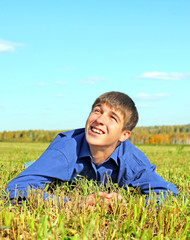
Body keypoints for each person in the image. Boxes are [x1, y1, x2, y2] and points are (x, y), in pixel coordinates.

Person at [5, 91, 178, 207]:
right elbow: (16, 188)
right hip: (53, 166)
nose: (100, 120)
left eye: (112, 117)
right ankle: (35, 165)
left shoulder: (132, 160)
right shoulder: (66, 148)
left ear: (124, 135)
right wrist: (72, 203)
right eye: (97, 111)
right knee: (35, 168)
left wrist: (126, 205)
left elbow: (167, 194)